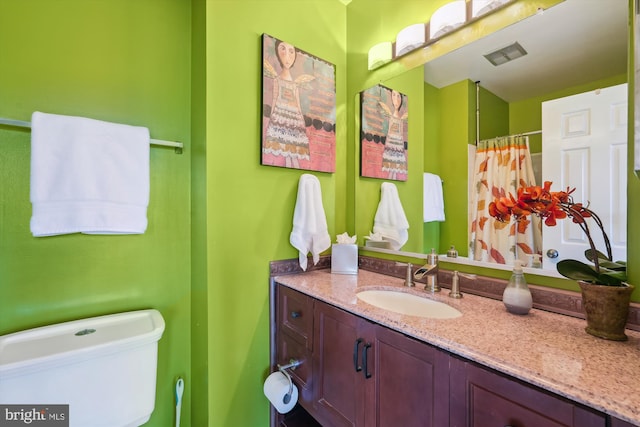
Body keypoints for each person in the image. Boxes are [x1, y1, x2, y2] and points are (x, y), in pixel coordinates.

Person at [262, 39, 313, 169]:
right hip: (281, 116)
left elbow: (298, 104)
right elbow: (274, 99)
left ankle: (293, 165)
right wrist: (273, 119)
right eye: (283, 50)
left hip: (294, 118)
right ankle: (290, 166)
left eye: (291, 52)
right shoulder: (277, 80)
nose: (287, 56)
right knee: (285, 145)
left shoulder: (295, 84)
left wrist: (301, 120)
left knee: (293, 147)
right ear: (278, 53)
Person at [379, 89, 408, 180]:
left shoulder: (401, 118)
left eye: (398, 96)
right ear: (391, 97)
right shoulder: (391, 115)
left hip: (398, 142)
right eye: (394, 95)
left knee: (396, 164)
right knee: (391, 163)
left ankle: (393, 178)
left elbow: (400, 132)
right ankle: (391, 178)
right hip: (391, 141)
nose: (396, 99)